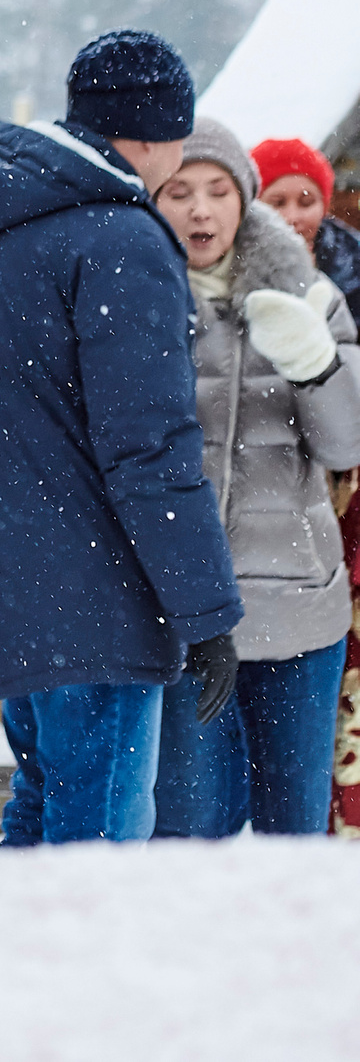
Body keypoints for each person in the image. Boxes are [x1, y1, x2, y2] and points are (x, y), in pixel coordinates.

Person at [0, 30, 243, 845]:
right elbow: (149, 446)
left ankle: (13, 972)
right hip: (96, 593)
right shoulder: (119, 237)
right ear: (157, 133)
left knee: (39, 807)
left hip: (6, 578)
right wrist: (206, 612)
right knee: (97, 841)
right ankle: (70, 978)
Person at [145, 120, 360, 837]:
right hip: (185, 612)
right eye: (181, 192)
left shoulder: (313, 296)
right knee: (190, 830)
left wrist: (317, 363)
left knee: (292, 836)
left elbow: (346, 442)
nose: (201, 209)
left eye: (217, 191)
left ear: (244, 200)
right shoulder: (134, 298)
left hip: (299, 606)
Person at [251, 136, 360, 310]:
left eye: (306, 202)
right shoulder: (226, 264)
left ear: (324, 207)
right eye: (277, 203)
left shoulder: (353, 261)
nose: (292, 217)